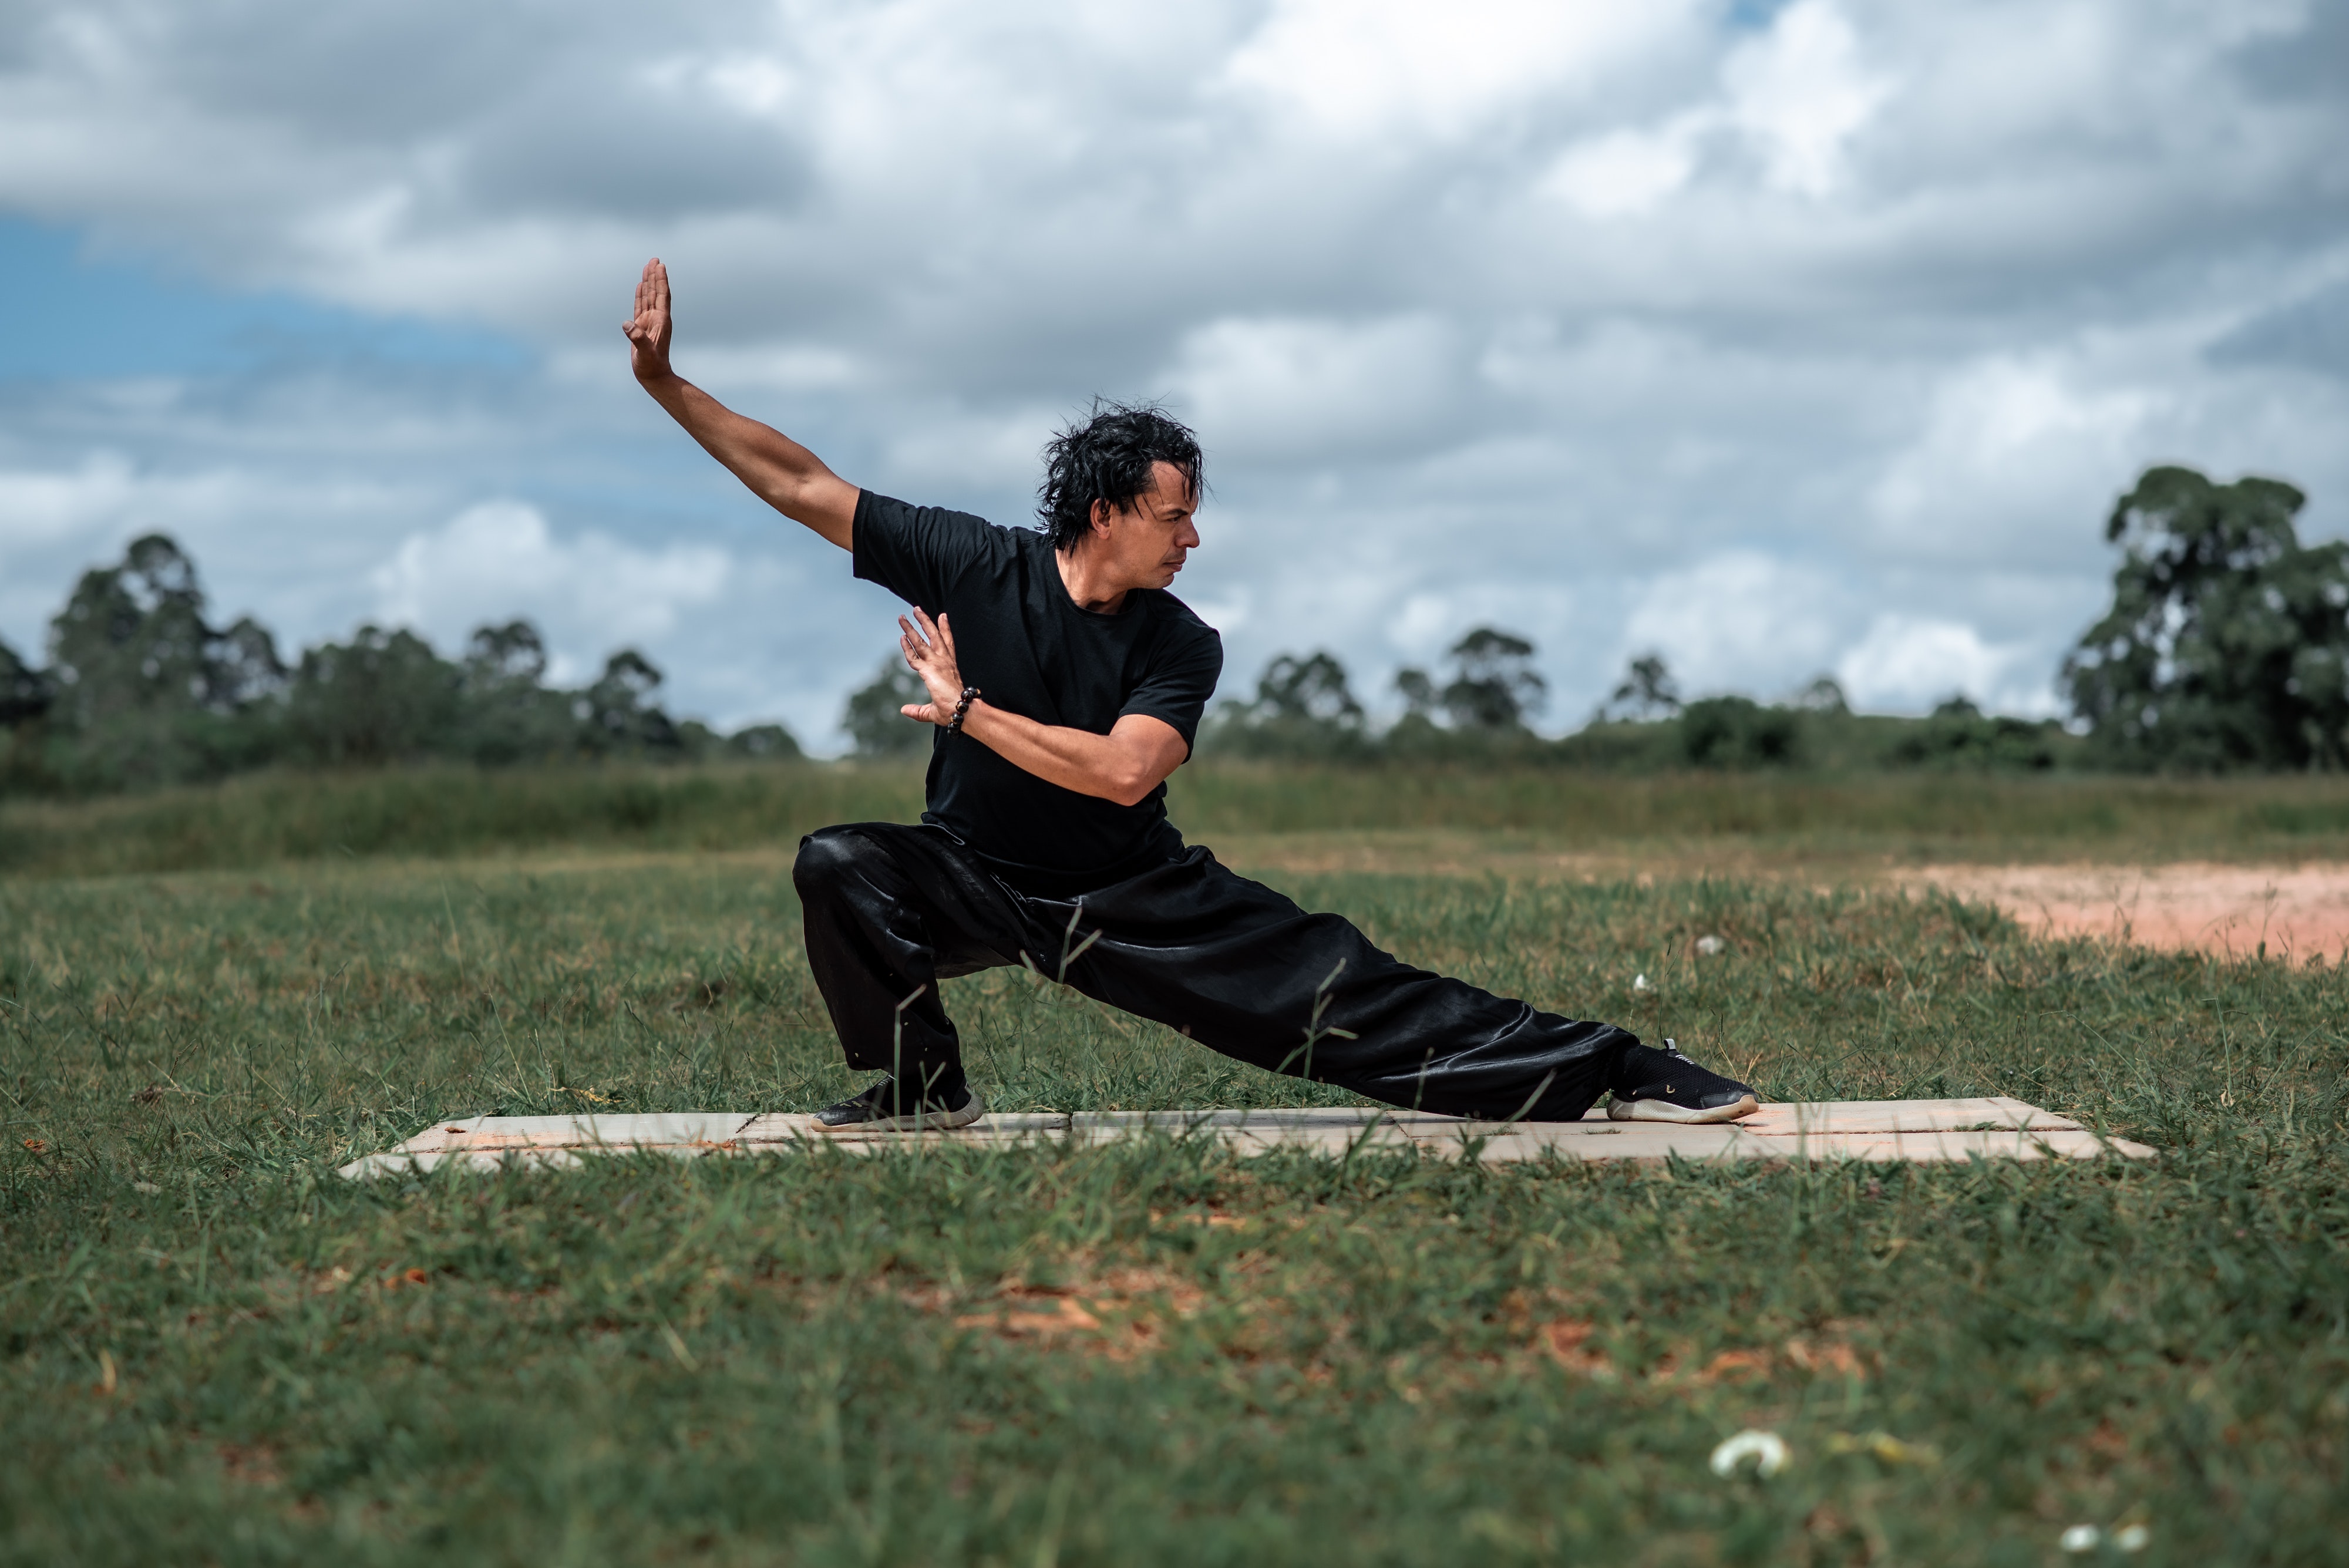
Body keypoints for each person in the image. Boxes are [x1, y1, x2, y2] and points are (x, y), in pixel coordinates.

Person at [625, 258, 1761, 1131]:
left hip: (1129, 893)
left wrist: (969, 713)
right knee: (841, 862)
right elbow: (800, 481)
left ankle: (1615, 1065)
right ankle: (924, 1090)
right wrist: (667, 385)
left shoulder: (1181, 642)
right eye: (1174, 516)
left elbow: (1124, 772)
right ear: (1107, 512)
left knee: (1342, 998)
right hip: (975, 875)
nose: (1192, 536)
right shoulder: (976, 564)